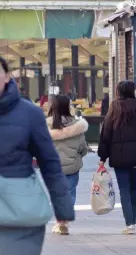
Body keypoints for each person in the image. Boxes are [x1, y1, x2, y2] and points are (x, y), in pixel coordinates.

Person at [0, 56, 74, 254]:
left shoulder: (30, 114)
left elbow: (50, 163)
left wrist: (63, 208)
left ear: (7, 77)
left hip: (20, 214)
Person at [97, 81, 136, 235]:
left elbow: (105, 135)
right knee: (133, 188)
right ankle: (133, 221)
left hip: (119, 157)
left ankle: (129, 224)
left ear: (118, 92)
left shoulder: (113, 110)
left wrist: (102, 157)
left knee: (124, 188)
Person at [46, 94, 89, 235]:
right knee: (70, 194)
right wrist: (78, 156)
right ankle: (63, 222)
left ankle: (60, 222)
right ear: (68, 107)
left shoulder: (46, 124)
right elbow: (83, 148)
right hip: (72, 166)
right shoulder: (77, 125)